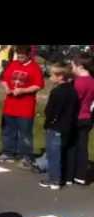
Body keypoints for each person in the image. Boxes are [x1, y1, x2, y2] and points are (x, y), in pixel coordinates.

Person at [0, 45, 45, 168]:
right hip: (10, 105)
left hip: (25, 106)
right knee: (8, 131)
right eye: (18, 55)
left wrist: (23, 90)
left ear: (29, 54)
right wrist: (7, 87)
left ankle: (26, 156)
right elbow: (4, 79)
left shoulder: (35, 68)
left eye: (22, 56)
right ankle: (8, 153)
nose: (20, 58)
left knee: (25, 133)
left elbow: (38, 85)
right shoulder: (13, 64)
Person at [38, 63, 79, 190]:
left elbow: (51, 111)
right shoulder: (73, 90)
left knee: (53, 154)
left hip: (56, 126)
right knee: (61, 152)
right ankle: (61, 177)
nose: (50, 77)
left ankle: (54, 180)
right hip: (68, 126)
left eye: (52, 75)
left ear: (60, 76)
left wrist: (49, 122)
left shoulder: (57, 92)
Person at [65, 53, 94, 186]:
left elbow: (73, 102)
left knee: (71, 147)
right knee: (82, 147)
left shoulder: (78, 83)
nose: (72, 68)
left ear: (80, 66)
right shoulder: (92, 81)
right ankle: (80, 175)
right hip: (87, 117)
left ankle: (69, 175)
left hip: (76, 117)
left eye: (73, 65)